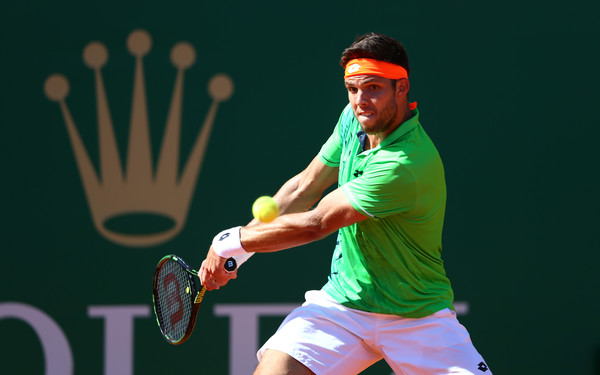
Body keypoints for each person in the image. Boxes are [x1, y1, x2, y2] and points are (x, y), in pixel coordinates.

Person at [199, 32, 492, 375]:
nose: (360, 101)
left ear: (402, 87)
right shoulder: (354, 120)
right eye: (353, 89)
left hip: (417, 317)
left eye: (373, 88)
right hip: (343, 306)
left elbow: (317, 223)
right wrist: (240, 250)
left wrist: (230, 241)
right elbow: (304, 187)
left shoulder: (404, 164)